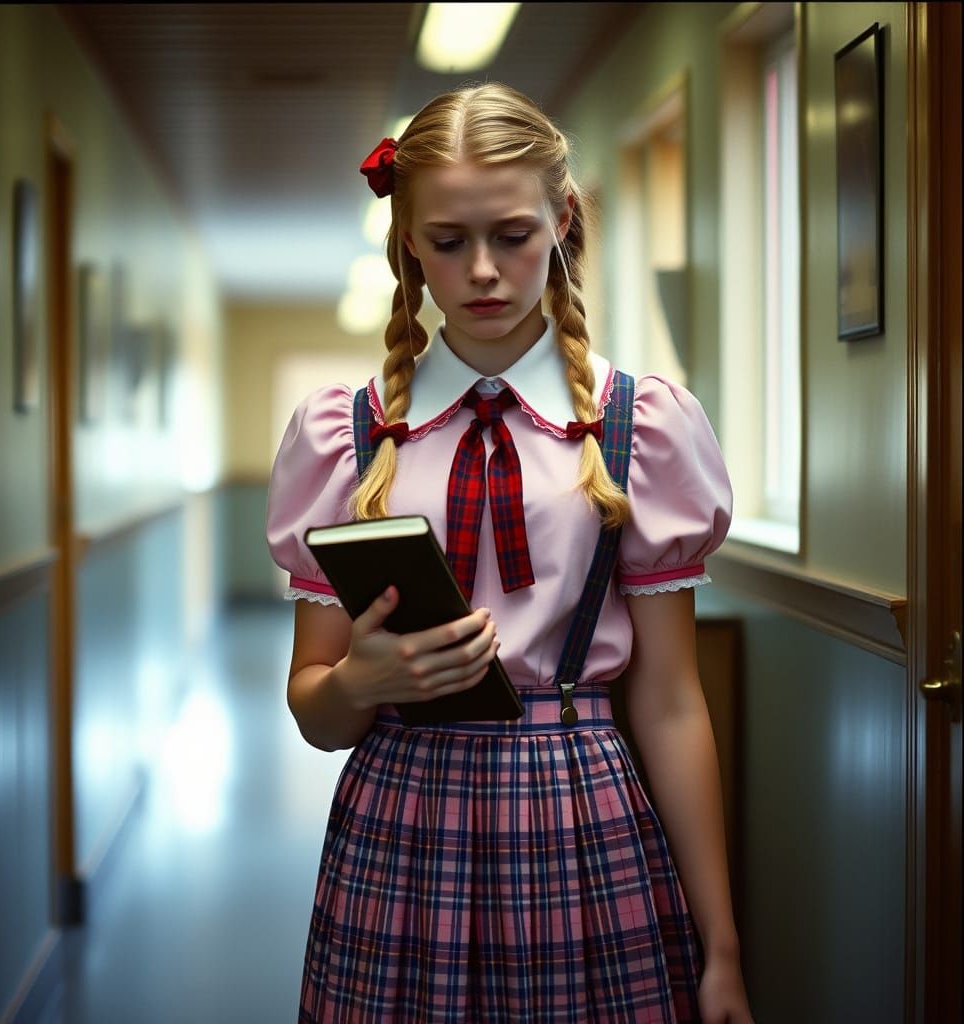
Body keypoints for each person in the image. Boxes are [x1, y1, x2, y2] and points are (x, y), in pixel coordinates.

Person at [267, 82, 753, 1024]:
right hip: (400, 819)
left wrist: (722, 946)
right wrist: (360, 683)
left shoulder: (636, 425)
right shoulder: (348, 434)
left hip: (583, 812)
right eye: (449, 242)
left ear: (562, 220)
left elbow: (670, 700)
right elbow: (315, 712)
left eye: (515, 236)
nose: (483, 270)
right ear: (408, 240)